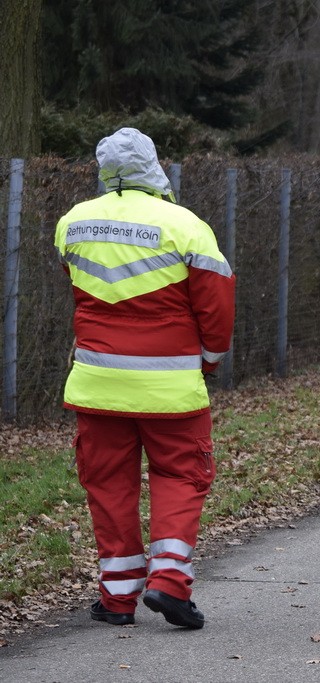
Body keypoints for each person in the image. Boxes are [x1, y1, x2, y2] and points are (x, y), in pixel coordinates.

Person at [54, 128, 235, 629]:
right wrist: (209, 361)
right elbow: (217, 308)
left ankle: (116, 599)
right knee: (180, 478)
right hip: (171, 389)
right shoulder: (186, 226)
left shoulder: (72, 223)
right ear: (154, 166)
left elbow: (79, 291)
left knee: (108, 486)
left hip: (97, 385)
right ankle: (169, 582)